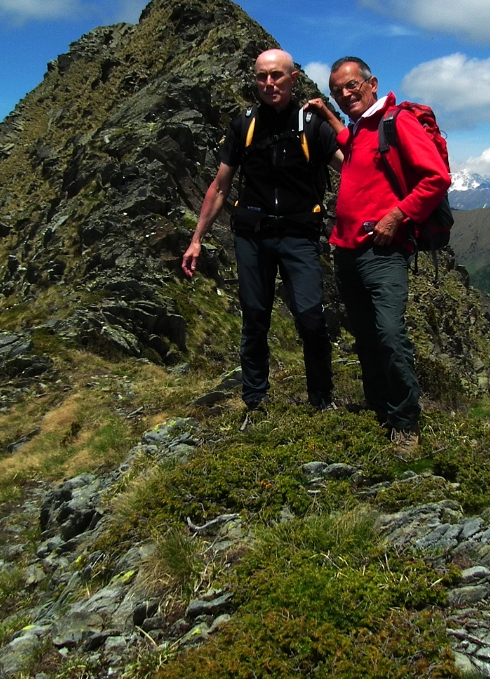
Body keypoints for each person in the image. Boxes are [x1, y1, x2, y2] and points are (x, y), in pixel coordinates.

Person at [182, 48, 341, 413]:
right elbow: (220, 187)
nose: (269, 83)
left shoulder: (312, 125)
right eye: (261, 76)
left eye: (277, 76)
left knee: (311, 319)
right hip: (251, 236)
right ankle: (254, 401)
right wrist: (196, 240)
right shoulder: (243, 125)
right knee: (255, 318)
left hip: (299, 236)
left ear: (293, 79)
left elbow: (351, 168)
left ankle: (321, 398)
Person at [305, 57, 450, 455]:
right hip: (347, 249)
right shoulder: (362, 129)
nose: (345, 93)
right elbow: (353, 147)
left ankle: (405, 422)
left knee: (388, 332)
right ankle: (380, 410)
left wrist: (397, 216)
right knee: (366, 335)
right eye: (338, 90)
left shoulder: (396, 121)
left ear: (372, 84)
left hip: (382, 250)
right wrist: (328, 114)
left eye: (352, 86)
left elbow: (437, 177)